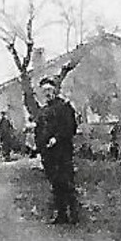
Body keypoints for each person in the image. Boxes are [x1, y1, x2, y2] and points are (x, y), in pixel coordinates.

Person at [36, 73, 82, 225]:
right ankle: (61, 214)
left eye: (49, 90)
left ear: (55, 90)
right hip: (48, 154)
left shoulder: (64, 107)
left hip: (62, 151)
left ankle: (74, 214)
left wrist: (57, 138)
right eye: (44, 91)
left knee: (66, 181)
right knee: (55, 183)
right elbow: (39, 131)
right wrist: (39, 146)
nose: (47, 93)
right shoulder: (43, 111)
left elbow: (70, 127)